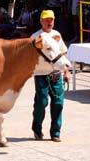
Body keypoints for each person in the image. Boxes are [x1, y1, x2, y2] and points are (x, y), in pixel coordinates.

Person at [31, 10, 70, 142]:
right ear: (41, 21)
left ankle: (55, 132)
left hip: (56, 75)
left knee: (58, 103)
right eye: (46, 19)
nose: (49, 22)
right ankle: (37, 129)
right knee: (41, 103)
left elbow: (62, 53)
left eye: (51, 19)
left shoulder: (57, 35)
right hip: (41, 74)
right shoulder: (36, 37)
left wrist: (66, 71)